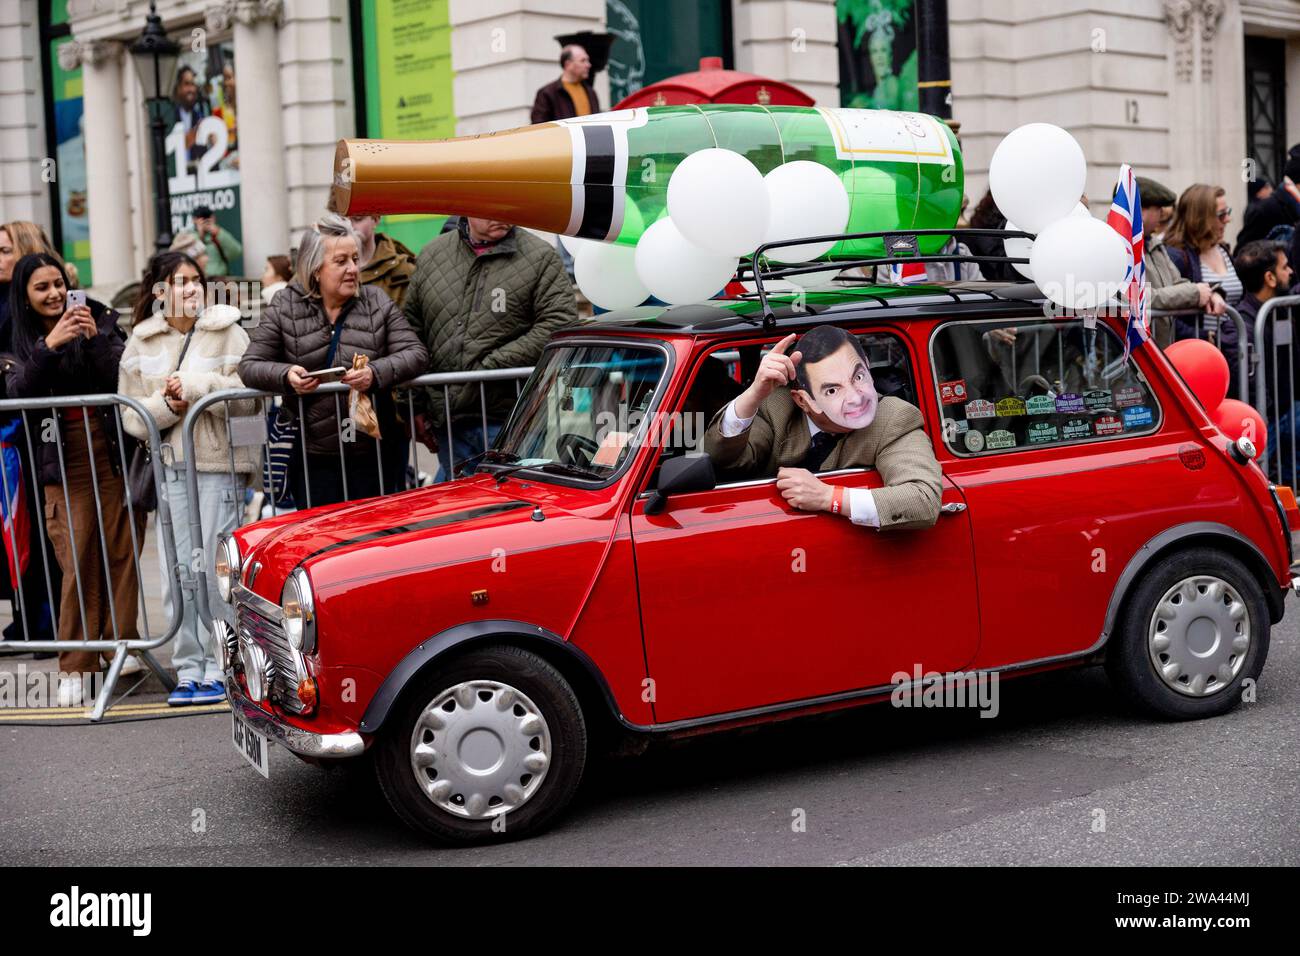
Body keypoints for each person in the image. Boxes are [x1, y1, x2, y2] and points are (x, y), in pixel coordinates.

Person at [119, 251, 257, 706]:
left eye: (196, 280)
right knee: (179, 572)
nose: (191, 288)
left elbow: (248, 401)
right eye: (180, 281)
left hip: (219, 466)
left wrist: (196, 388)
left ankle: (223, 666)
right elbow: (132, 418)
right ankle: (189, 669)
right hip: (171, 467)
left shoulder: (228, 329)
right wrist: (168, 405)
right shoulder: (141, 342)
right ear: (160, 290)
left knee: (216, 569)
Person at [5, 253, 141, 706]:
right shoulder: (18, 338)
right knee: (76, 557)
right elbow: (18, 390)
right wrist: (51, 346)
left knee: (122, 551)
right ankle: (76, 664)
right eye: (41, 288)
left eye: (58, 284)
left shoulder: (97, 318)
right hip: (60, 461)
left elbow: (124, 375)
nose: (54, 294)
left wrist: (91, 339)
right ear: (25, 297)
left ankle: (124, 643)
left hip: (111, 454)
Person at [239, 214, 428, 506]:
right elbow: (250, 365)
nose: (353, 269)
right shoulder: (285, 305)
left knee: (374, 543)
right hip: (314, 458)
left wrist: (375, 374)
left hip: (374, 454)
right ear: (315, 269)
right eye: (341, 261)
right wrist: (286, 375)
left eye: (355, 259)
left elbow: (416, 354)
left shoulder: (375, 301)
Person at [704, 325, 942, 530]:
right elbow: (722, 460)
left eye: (858, 377)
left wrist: (829, 497)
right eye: (832, 390)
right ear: (802, 400)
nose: (855, 398)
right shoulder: (777, 406)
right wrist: (754, 394)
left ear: (868, 366)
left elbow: (922, 499)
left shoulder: (893, 417)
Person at [404, 216, 577, 481]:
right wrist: (412, 405)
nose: (501, 215)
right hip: (450, 420)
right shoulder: (432, 255)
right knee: (460, 511)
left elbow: (559, 324)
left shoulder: (541, 257)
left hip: (512, 418)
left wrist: (488, 368)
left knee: (510, 506)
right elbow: (411, 332)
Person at [1165, 184, 1245, 392]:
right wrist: (1204, 335)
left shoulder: (1224, 249)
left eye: (1227, 212)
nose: (1227, 219)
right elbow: (1166, 315)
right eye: (1220, 215)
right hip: (1198, 359)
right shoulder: (1176, 256)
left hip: (1231, 352)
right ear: (1199, 218)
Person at [1136, 178, 1226, 348]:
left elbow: (1178, 282)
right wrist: (1195, 293)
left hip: (1161, 351)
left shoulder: (1154, 245)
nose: (1162, 216)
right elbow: (1139, 297)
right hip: (1134, 356)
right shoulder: (1116, 246)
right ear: (1141, 210)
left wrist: (1210, 293)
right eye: (1158, 209)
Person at [1236, 241, 1295, 482]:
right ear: (1269, 278)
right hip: (1265, 418)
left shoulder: (1282, 307)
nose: (1290, 271)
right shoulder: (1242, 324)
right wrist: (1267, 413)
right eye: (1285, 267)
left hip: (1286, 408)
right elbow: (1246, 380)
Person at [347, 213, 416, 308]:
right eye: (343, 220)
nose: (350, 226)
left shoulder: (404, 270)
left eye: (358, 218)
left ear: (375, 219)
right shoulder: (328, 272)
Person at [530, 44, 600, 124]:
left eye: (588, 60)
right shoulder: (547, 93)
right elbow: (539, 127)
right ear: (568, 64)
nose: (588, 65)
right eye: (583, 60)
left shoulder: (590, 92)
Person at [191, 205, 241, 277]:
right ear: (194, 220)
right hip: (199, 278)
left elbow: (237, 251)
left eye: (207, 217)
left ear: (213, 217)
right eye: (201, 218)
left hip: (219, 279)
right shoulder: (189, 236)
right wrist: (200, 236)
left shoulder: (218, 233)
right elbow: (188, 256)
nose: (205, 220)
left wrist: (218, 233)